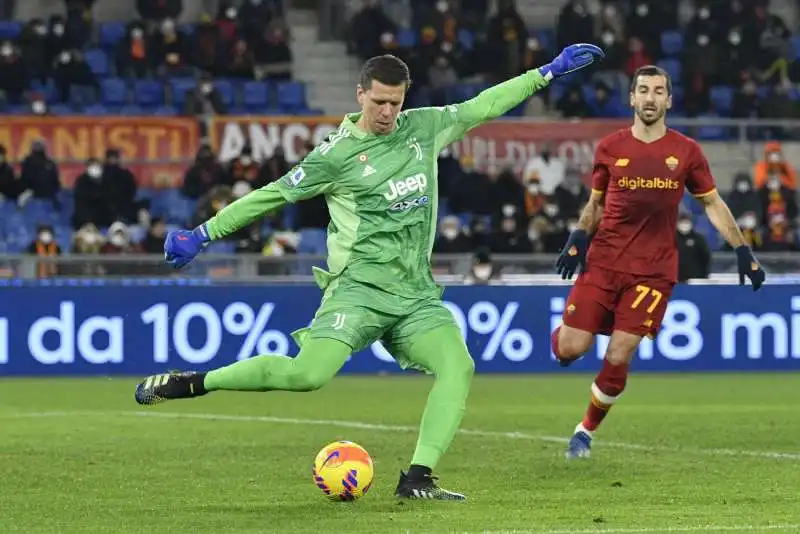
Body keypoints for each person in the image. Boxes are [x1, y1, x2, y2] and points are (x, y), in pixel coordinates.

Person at [133, 45, 605, 499]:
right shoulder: (334, 157)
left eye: (395, 103)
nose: (386, 112)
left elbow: (484, 105)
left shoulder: (422, 128)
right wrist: (204, 232)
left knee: (457, 365)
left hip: (416, 296)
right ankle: (195, 382)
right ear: (360, 94)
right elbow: (272, 195)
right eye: (379, 101)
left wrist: (547, 71)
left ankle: (418, 477)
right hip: (357, 293)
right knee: (306, 377)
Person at [551, 64, 765, 460]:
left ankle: (584, 431)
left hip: (653, 270)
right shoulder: (610, 148)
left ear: (669, 99)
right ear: (632, 98)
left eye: (658, 91)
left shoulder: (686, 151)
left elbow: (712, 203)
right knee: (569, 349)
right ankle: (581, 329)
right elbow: (596, 203)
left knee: (619, 354)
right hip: (604, 262)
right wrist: (578, 237)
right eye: (643, 90)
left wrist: (742, 249)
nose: (650, 98)